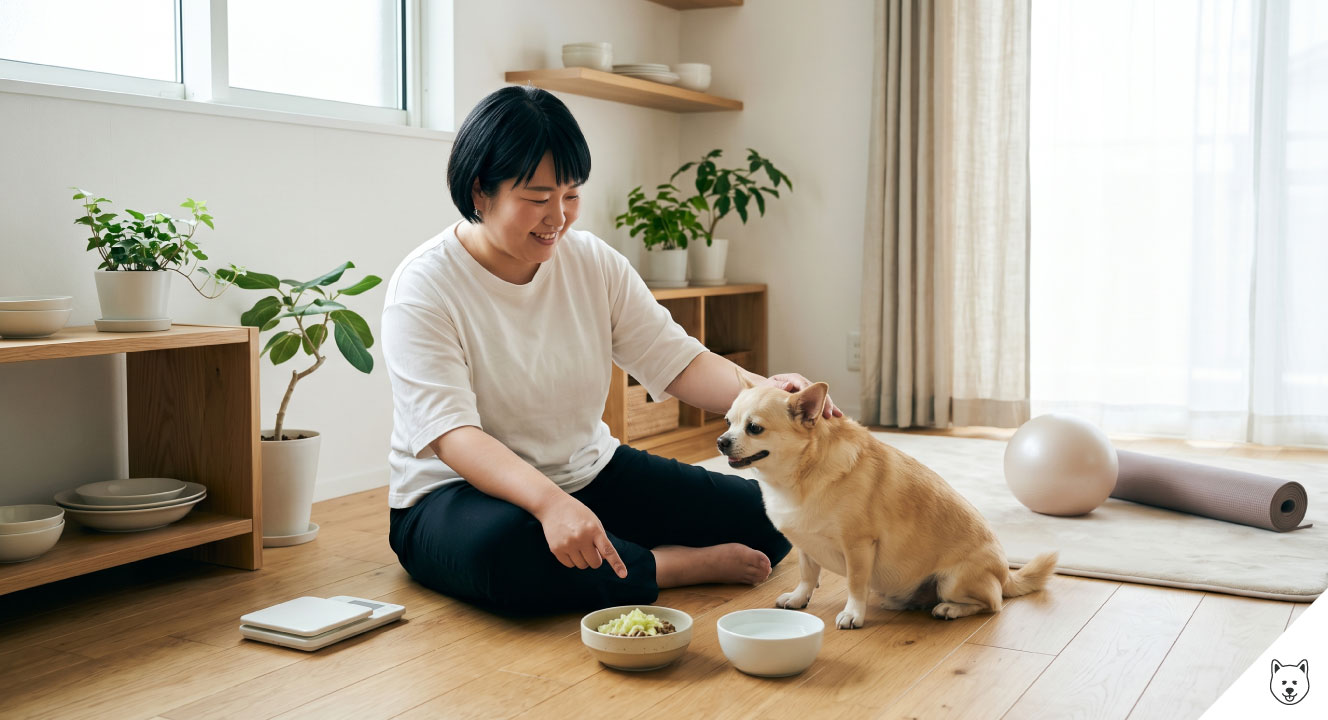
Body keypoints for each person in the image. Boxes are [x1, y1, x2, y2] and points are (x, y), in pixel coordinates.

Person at [382, 85, 841, 615]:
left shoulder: (590, 261)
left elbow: (677, 359)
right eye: (536, 198)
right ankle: (664, 567)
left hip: (588, 473)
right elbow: (455, 437)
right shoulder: (424, 286)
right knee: (505, 555)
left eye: (571, 195)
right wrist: (550, 504)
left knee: (771, 516)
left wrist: (768, 393)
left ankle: (612, 560)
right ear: (480, 191)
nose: (558, 216)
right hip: (456, 497)